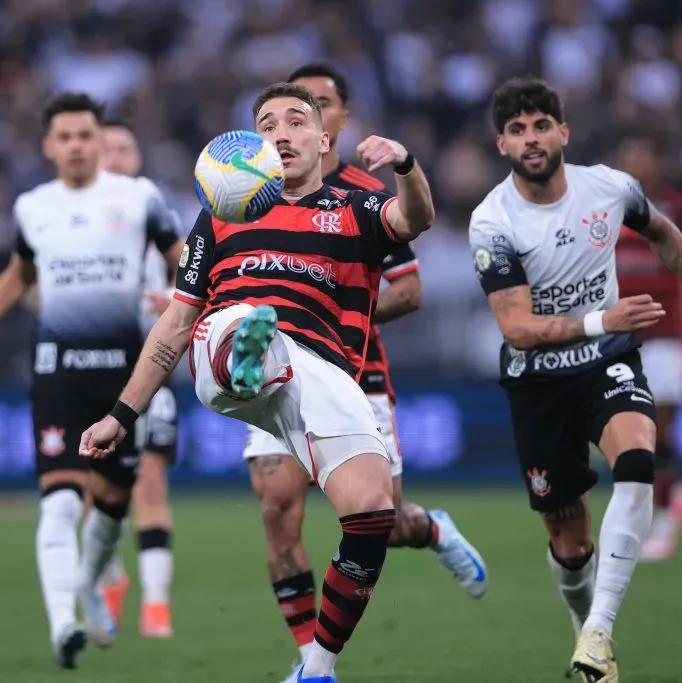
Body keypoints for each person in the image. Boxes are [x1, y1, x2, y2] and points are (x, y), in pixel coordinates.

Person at [80, 82, 434, 683]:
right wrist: (122, 412)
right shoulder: (219, 216)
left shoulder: (355, 208)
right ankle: (250, 352)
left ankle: (316, 669)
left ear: (324, 141)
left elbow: (415, 217)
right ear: (253, 144)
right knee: (241, 323)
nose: (281, 133)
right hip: (225, 346)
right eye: (267, 124)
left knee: (372, 514)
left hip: (321, 373)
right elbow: (175, 321)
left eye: (296, 121)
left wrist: (406, 164)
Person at [469, 77, 682, 682]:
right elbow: (516, 328)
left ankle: (598, 635)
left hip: (605, 362)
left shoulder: (610, 189)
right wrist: (601, 317)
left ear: (563, 131)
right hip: (537, 384)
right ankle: (585, 630)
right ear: (502, 145)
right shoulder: (492, 222)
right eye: (517, 131)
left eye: (541, 126)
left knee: (638, 456)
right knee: (570, 542)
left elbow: (664, 234)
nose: (531, 139)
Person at [237, 64, 486, 682]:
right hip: (273, 375)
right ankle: (311, 663)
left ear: (336, 122)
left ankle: (428, 529)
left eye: (313, 108)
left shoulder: (364, 196)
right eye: (281, 117)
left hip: (354, 371)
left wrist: (332, 309)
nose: (291, 128)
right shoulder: (250, 195)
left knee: (380, 520)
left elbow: (410, 289)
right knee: (276, 508)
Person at [0, 93, 184, 669]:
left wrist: (182, 295)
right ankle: (62, 624)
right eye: (64, 137)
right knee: (61, 500)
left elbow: (186, 256)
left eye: (85, 135)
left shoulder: (138, 198)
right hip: (57, 370)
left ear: (100, 142)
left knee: (114, 504)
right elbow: (18, 275)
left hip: (126, 376)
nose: (75, 145)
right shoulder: (33, 208)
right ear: (49, 146)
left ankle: (92, 585)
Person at [96, 119, 180, 638]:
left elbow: (190, 267)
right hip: (91, 364)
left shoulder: (148, 199)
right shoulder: (70, 211)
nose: (117, 156)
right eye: (108, 148)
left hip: (149, 365)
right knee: (97, 494)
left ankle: (156, 605)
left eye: (126, 147)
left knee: (149, 485)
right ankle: (111, 583)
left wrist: (175, 299)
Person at [614, 136, 682, 562]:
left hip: (666, 334)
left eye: (644, 154)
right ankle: (667, 500)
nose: (637, 162)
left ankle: (664, 518)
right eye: (631, 155)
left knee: (658, 431)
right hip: (619, 338)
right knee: (629, 436)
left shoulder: (674, 207)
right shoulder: (605, 210)